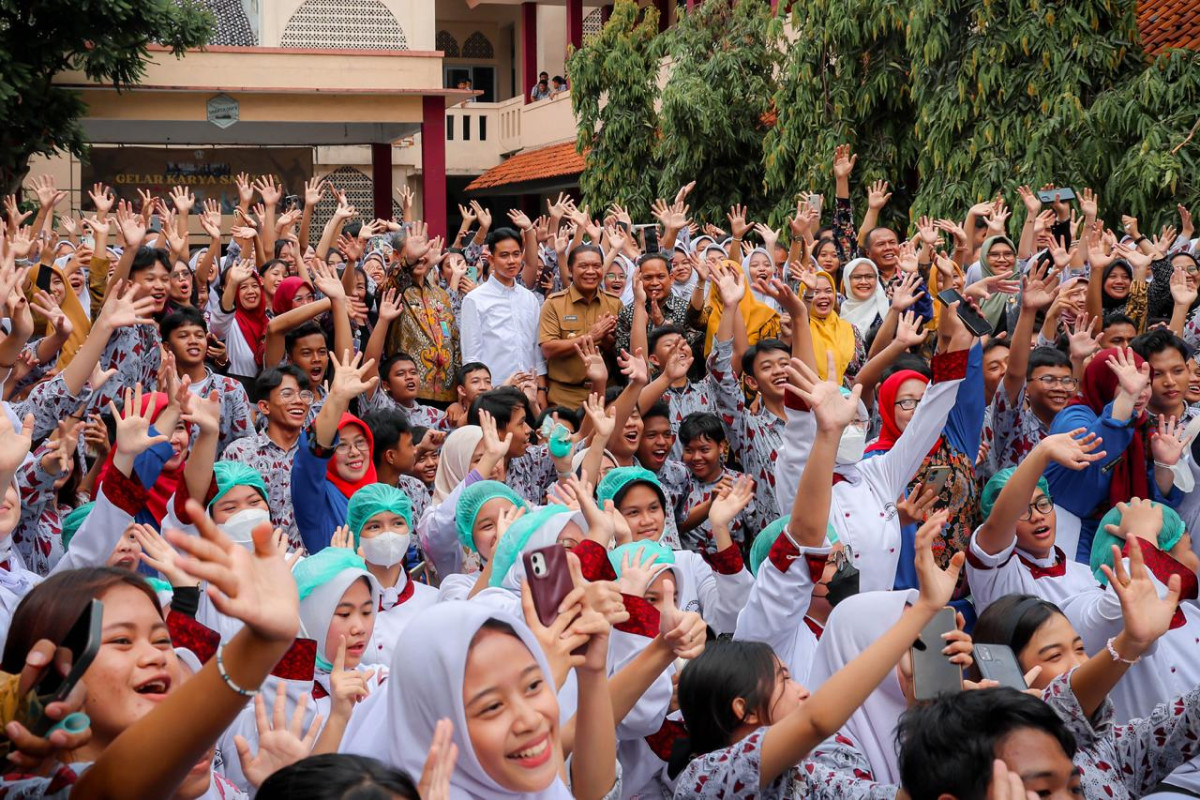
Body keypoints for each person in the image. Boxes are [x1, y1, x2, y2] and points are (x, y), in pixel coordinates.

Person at [460, 227, 545, 387]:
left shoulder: (529, 299)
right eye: (504, 255)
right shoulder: (475, 299)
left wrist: (541, 389)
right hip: (494, 389)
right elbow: (471, 357)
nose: (511, 261)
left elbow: (536, 350)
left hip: (529, 388)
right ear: (491, 259)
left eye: (516, 254)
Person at [539, 245, 621, 407]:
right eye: (583, 266)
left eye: (596, 266)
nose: (591, 271)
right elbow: (548, 349)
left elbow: (623, 353)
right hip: (565, 396)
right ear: (570, 270)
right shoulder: (554, 304)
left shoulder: (614, 303)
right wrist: (590, 337)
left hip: (606, 393)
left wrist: (606, 341)